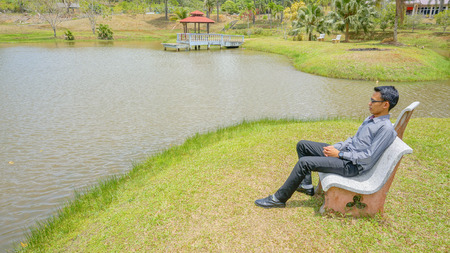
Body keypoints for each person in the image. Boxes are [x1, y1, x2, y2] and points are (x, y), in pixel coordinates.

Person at [255, 86, 399, 208]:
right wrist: (335, 148)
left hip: (352, 166)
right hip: (345, 154)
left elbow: (368, 157)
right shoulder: (371, 119)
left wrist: (339, 155)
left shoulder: (385, 129)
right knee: (303, 145)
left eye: (373, 101)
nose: (369, 103)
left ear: (385, 104)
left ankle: (279, 199)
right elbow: (353, 141)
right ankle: (306, 186)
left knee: (304, 162)